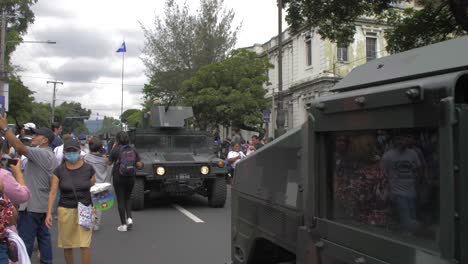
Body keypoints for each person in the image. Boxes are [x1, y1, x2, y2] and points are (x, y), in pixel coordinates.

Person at [0, 114, 58, 264]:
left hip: (31, 206)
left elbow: (19, 147)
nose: (34, 136)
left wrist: (5, 129)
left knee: (24, 241)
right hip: (42, 205)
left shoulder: (41, 152)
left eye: (38, 135)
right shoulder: (49, 154)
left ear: (45, 140)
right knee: (44, 239)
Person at [45, 139, 95, 264]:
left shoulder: (89, 169)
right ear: (64, 152)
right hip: (65, 210)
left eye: (74, 150)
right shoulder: (59, 171)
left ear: (79, 151)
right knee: (67, 244)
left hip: (85, 209)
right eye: (68, 151)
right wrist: (49, 213)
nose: (71, 153)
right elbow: (53, 192)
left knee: (84, 244)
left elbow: (94, 185)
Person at [381, 132, 422, 233]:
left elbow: (418, 170)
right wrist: (388, 192)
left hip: (411, 192)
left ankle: (410, 237)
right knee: (406, 219)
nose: (400, 142)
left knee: (412, 217)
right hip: (397, 193)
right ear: (394, 140)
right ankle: (409, 239)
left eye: (403, 139)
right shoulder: (388, 156)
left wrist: (417, 186)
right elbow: (382, 175)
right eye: (398, 139)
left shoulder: (413, 153)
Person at [108, 131, 143, 232]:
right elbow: (139, 164)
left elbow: (109, 163)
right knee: (128, 198)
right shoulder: (133, 149)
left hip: (118, 177)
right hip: (131, 177)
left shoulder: (115, 150)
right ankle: (130, 219)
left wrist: (113, 150)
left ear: (117, 140)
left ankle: (123, 224)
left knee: (120, 199)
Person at [84, 137, 110, 231]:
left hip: (89, 184)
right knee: (99, 206)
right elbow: (109, 164)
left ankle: (89, 222)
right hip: (101, 185)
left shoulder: (86, 158)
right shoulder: (104, 160)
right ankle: (96, 224)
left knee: (89, 204)